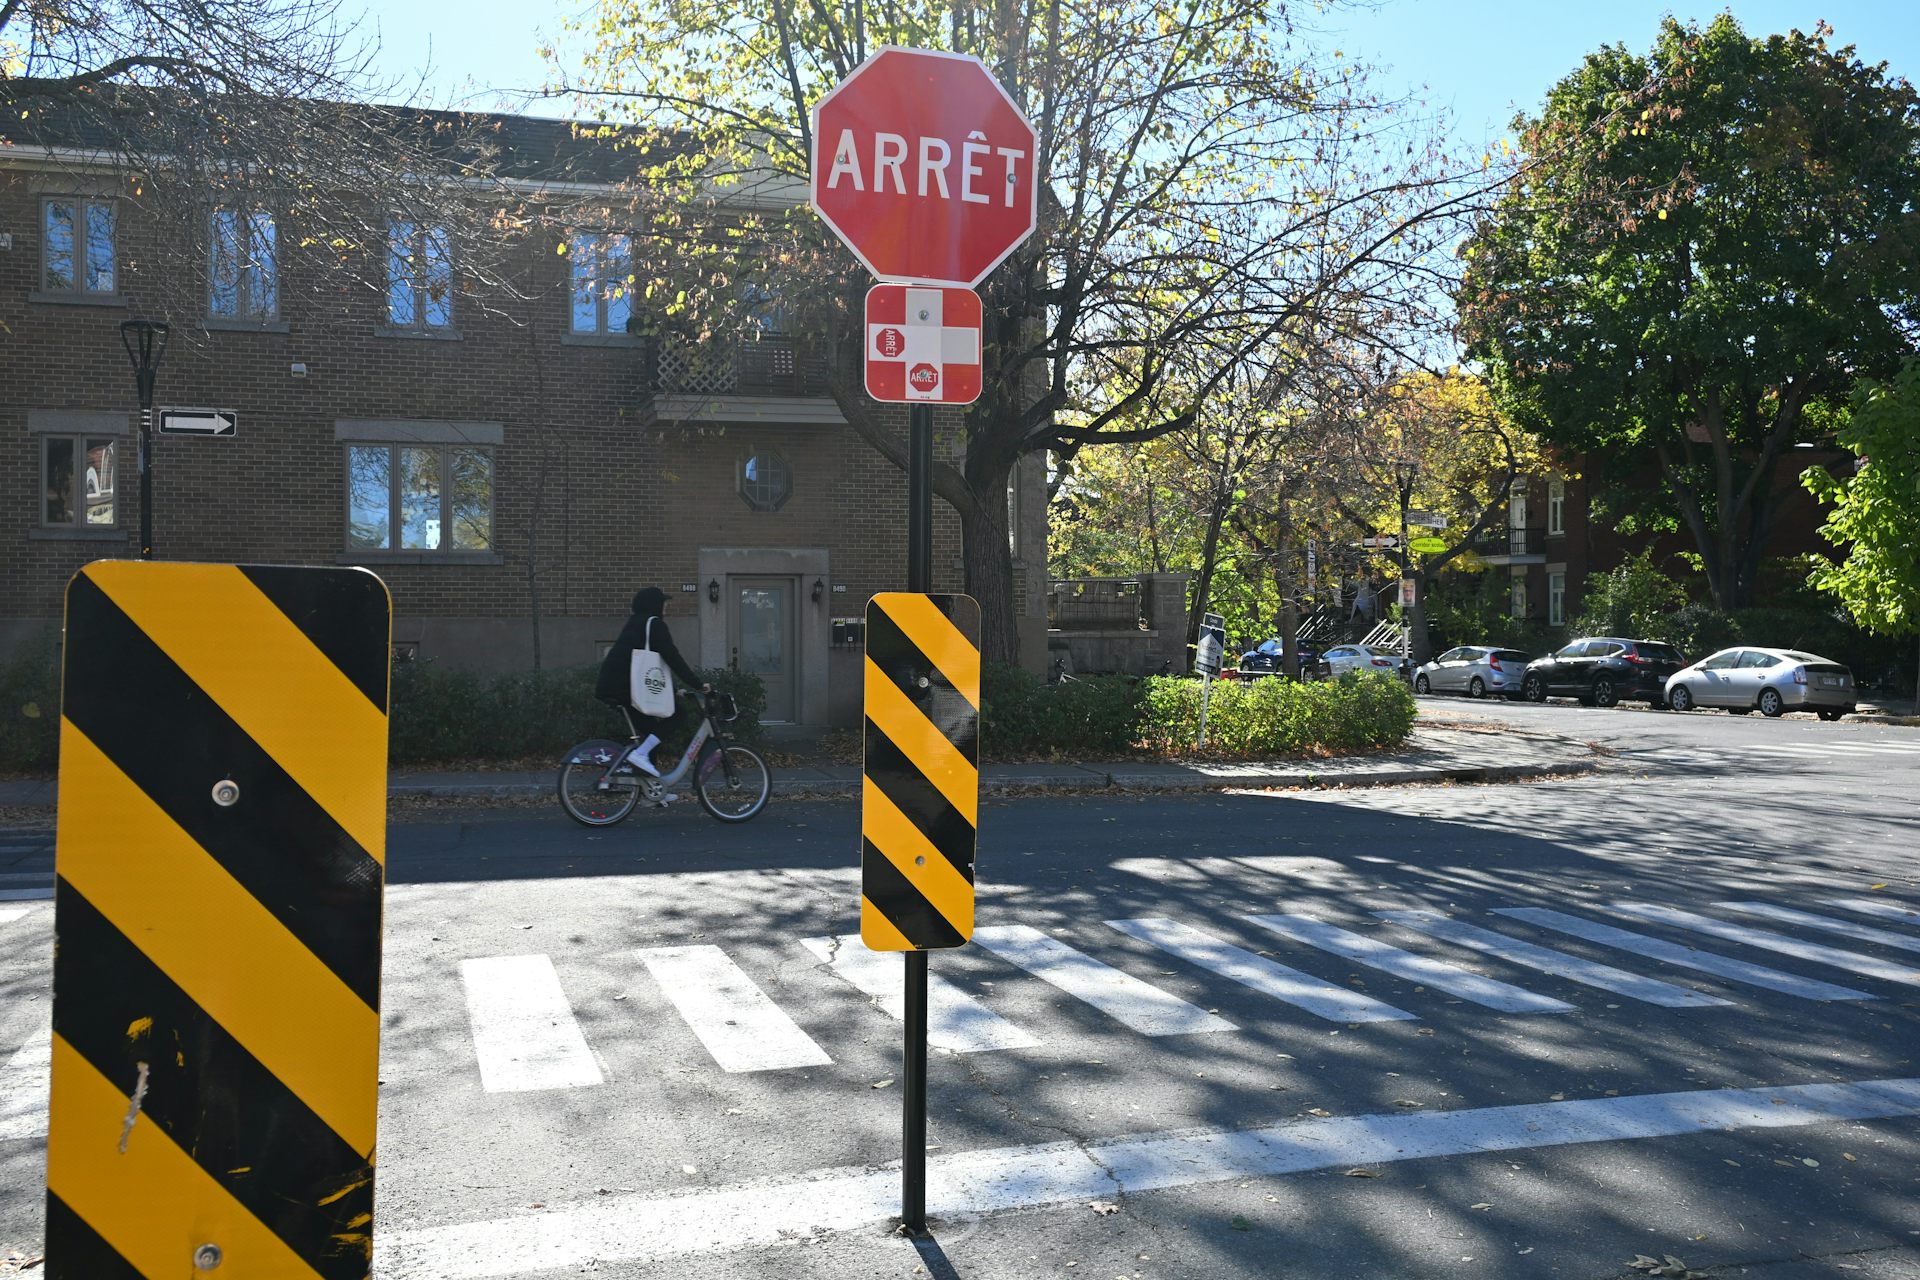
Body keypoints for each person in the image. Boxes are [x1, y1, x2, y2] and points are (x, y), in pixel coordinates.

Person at [595, 587, 709, 777]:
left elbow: (650, 669)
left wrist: (673, 691)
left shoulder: (635, 623)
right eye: (664, 603)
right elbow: (672, 658)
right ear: (654, 605)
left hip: (614, 686)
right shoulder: (654, 624)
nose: (667, 608)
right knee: (677, 714)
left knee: (652, 735)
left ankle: (652, 792)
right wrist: (697, 684)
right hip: (624, 688)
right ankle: (639, 755)